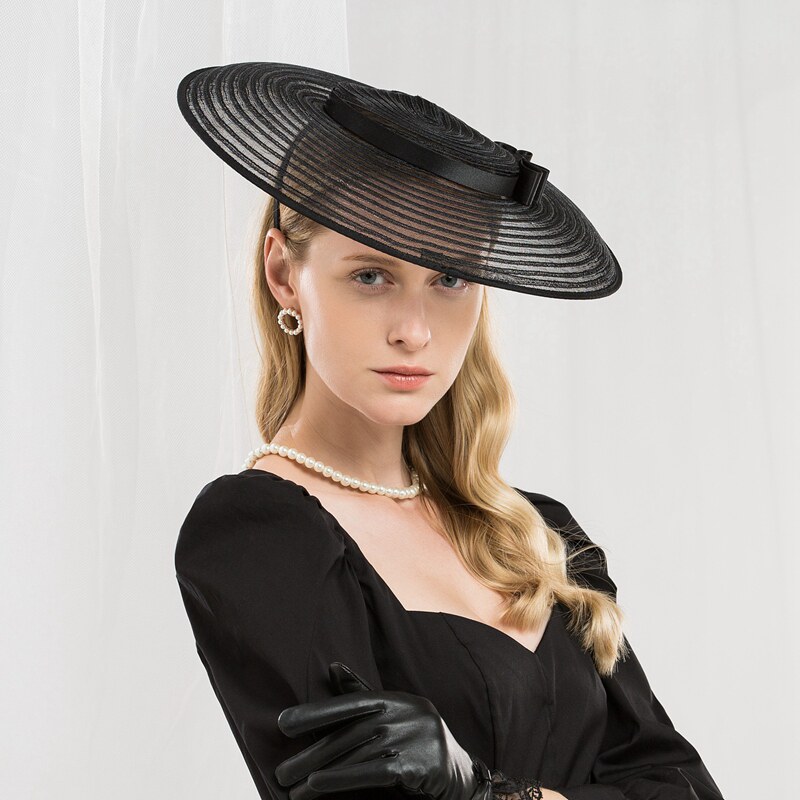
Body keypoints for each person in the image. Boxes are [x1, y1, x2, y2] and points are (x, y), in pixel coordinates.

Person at [173, 63, 725, 800]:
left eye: (450, 278)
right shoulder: (258, 532)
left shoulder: (539, 536)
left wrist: (485, 791)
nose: (414, 331)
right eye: (370, 275)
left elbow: (685, 789)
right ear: (284, 274)